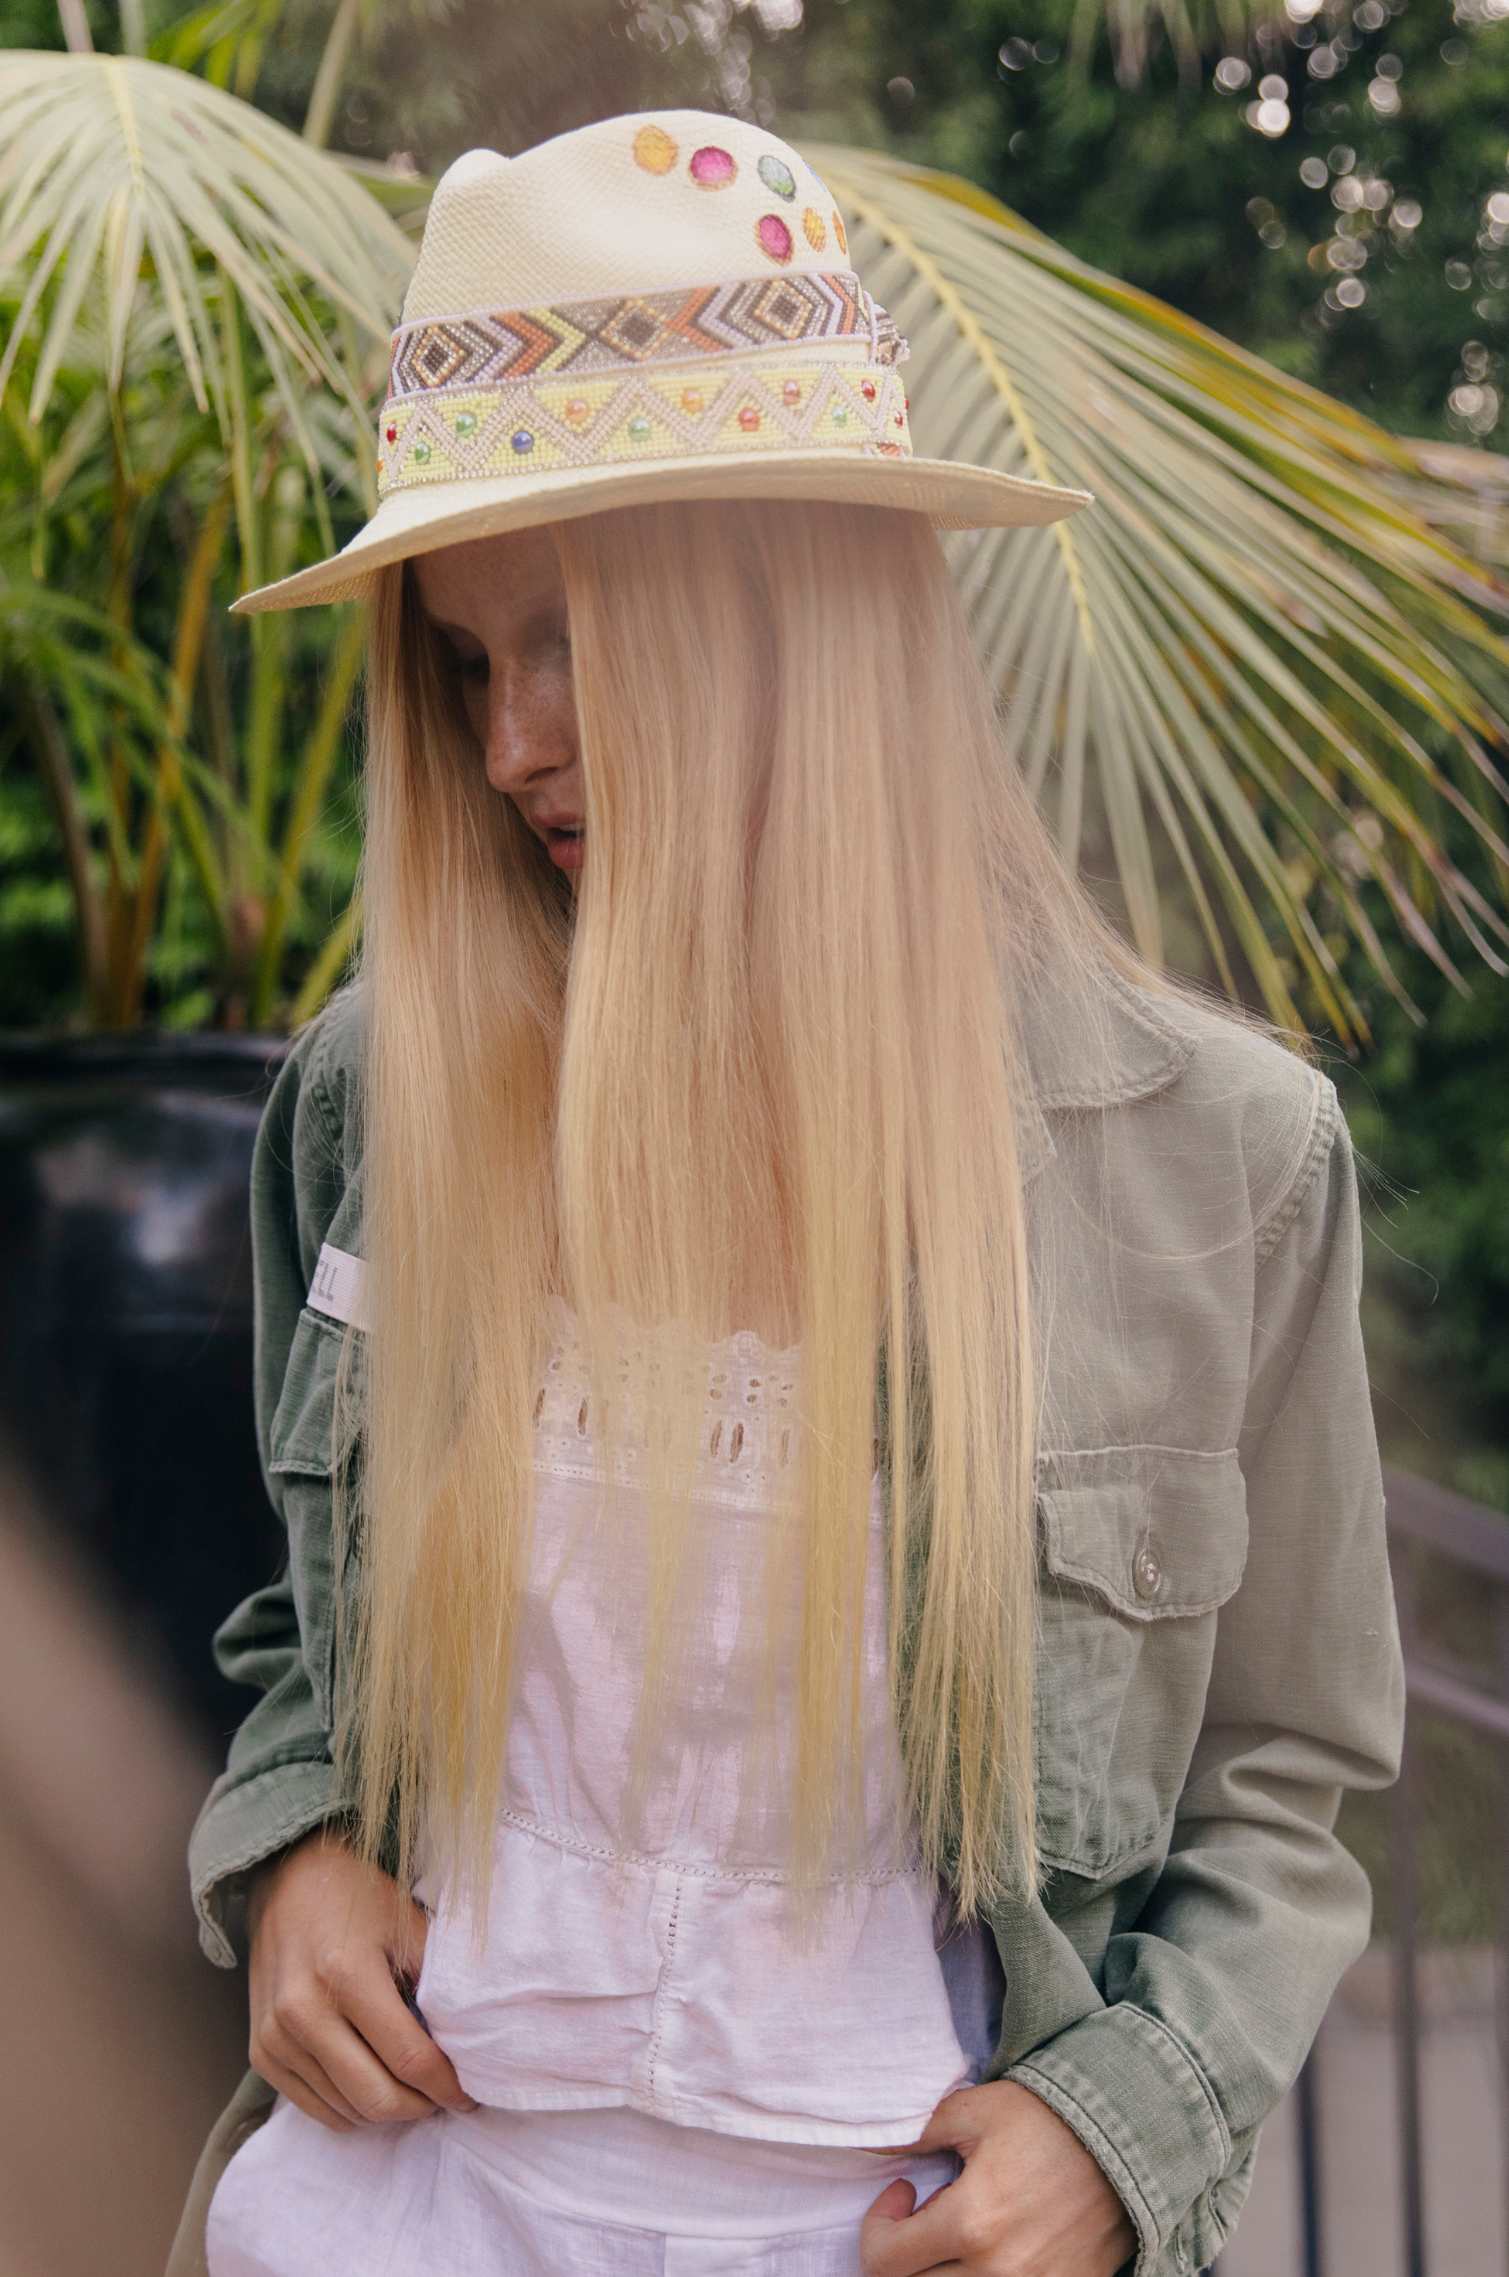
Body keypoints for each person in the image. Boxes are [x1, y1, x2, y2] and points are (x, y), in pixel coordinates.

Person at [165, 108, 1406, 2277]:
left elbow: (1280, 1786)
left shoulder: (1211, 1161)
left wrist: (1118, 2130)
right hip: (384, 2213)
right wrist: (286, 1846)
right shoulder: (383, 1093)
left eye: (558, 641)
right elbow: (302, 1617)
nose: (505, 746)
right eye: (462, 664)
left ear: (786, 624)